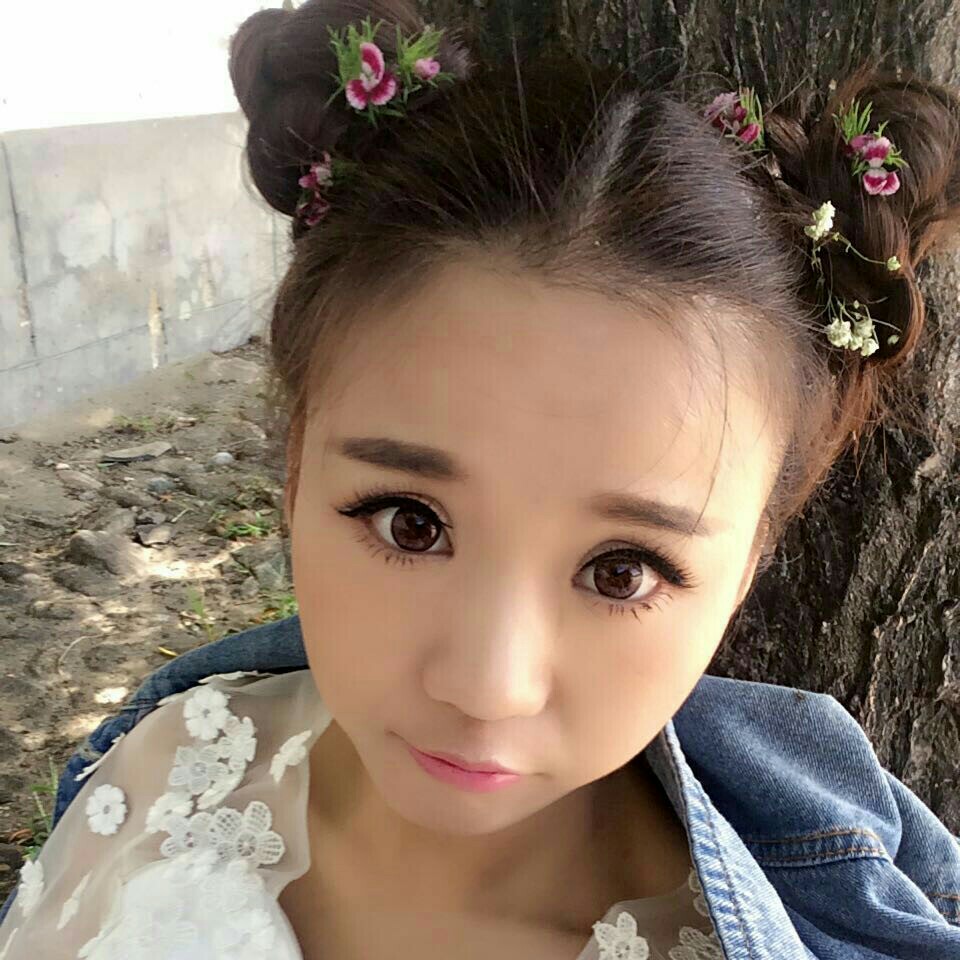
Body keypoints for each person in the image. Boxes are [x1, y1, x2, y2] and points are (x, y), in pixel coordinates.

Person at [2, 0, 960, 956]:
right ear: (295, 472)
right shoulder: (163, 770)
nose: (486, 687)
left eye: (621, 571)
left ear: (749, 564)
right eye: (410, 523)